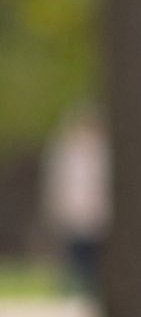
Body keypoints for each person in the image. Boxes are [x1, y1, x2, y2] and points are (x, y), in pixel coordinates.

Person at [41, 109, 110, 295]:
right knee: (75, 253)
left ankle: (89, 287)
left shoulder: (101, 152)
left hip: (94, 212)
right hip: (75, 211)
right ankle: (75, 287)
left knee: (92, 255)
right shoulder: (67, 153)